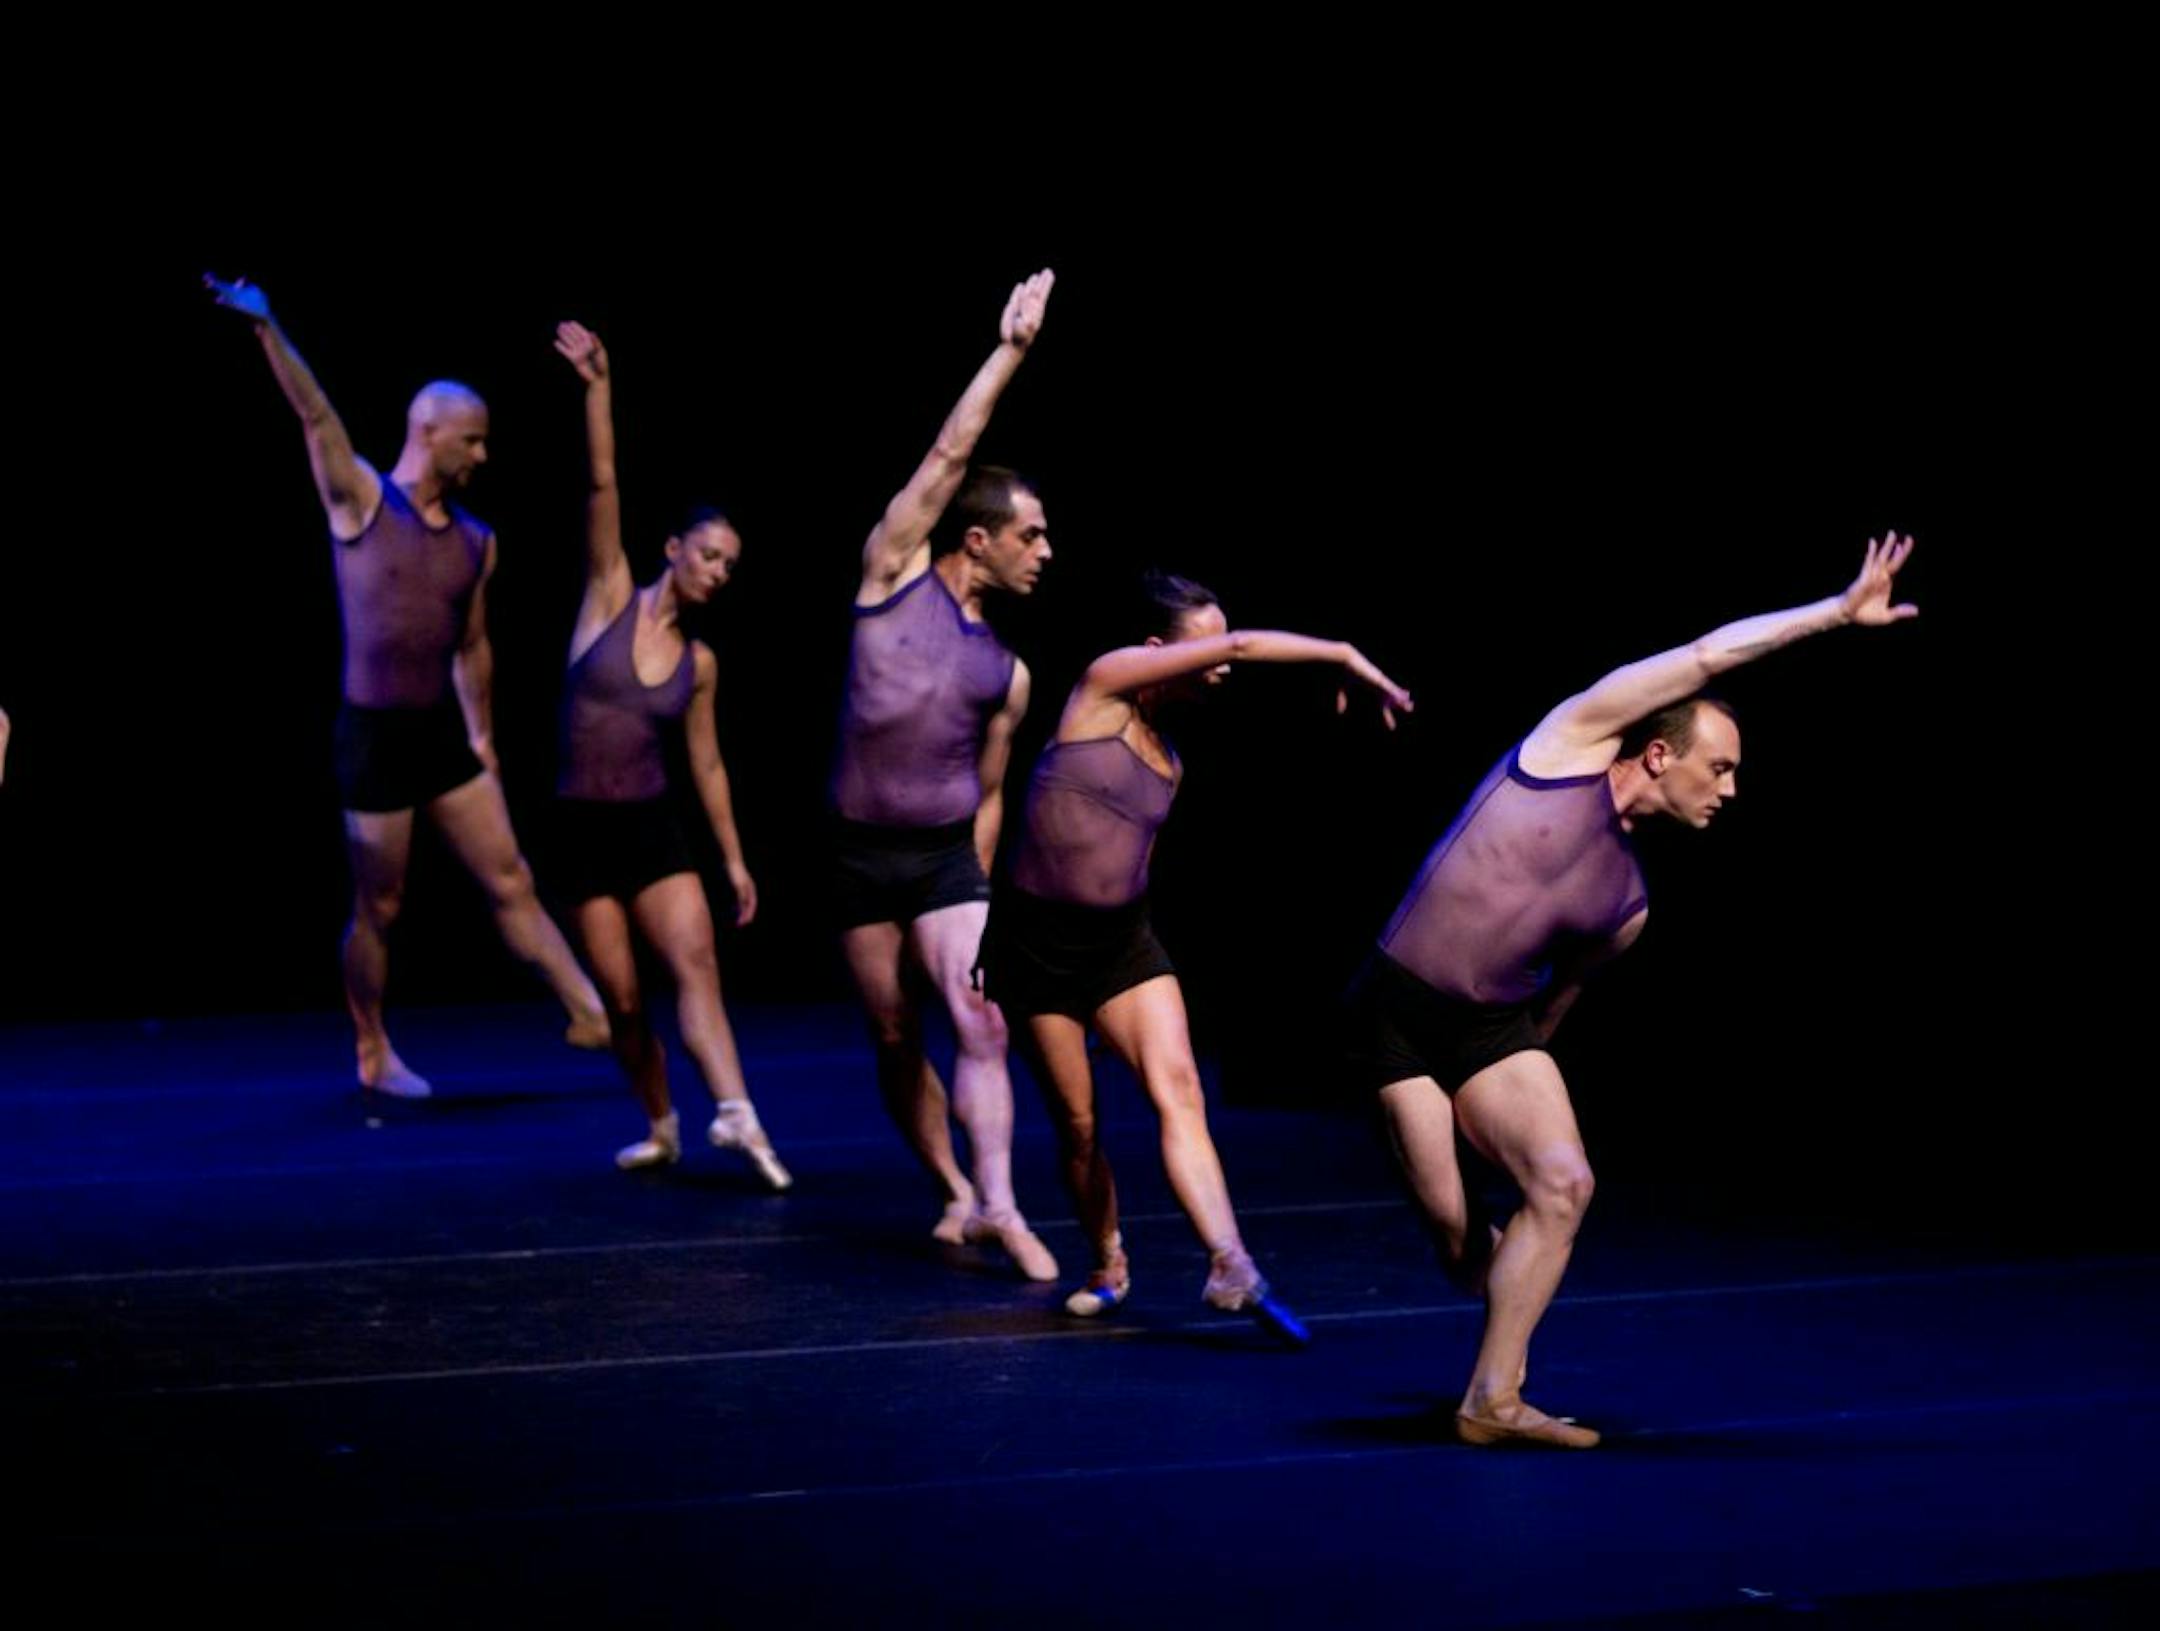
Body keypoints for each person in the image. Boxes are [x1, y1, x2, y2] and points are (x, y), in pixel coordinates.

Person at [1349, 534, 1919, 1446]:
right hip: (1395, 1013)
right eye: (1720, 768)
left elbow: (1552, 1013)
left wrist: (1504, 1099)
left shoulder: (1628, 905)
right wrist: (1835, 614)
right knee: (1459, 1243)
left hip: (1492, 1032)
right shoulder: (1570, 738)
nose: (1731, 789)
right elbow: (1704, 655)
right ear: (1660, 754)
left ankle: (1491, 1399)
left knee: (1564, 1182)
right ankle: (1500, 1295)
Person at [980, 571, 1411, 1337]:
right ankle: (1109, 1260)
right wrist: (1339, 651)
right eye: (1206, 643)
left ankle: (1228, 1263)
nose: (1225, 657)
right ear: (1155, 650)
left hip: (1121, 946)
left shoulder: (1171, 759)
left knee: (1179, 1086)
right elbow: (1033, 842)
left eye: (1223, 640)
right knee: (1078, 1125)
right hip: (1038, 947)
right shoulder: (1100, 690)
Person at [206, 276, 606, 1098]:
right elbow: (317, 417)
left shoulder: (476, 541)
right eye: (473, 441)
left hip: (441, 740)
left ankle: (591, 1009)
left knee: (511, 879)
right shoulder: (360, 501)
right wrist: (267, 327)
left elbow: (473, 649)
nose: (483, 456)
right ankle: (370, 1045)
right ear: (431, 433)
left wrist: (485, 740)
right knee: (379, 905)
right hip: (373, 739)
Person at [830, 273, 1059, 1280]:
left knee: (981, 1016)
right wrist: (1008, 349)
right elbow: (948, 454)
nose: (1047, 552)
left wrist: (978, 891)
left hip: (940, 863)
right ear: (979, 540)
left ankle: (1001, 1201)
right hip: (852, 853)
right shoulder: (889, 571)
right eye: (1032, 534)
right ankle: (953, 1188)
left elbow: (995, 787)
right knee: (891, 1031)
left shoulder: (1008, 673)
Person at [550, 321, 789, 1186]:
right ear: (674, 551)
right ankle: (662, 1123)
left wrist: (733, 861)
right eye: (712, 556)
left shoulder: (702, 662)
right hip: (583, 834)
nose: (722, 573)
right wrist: (597, 385)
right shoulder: (607, 596)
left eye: (732, 566)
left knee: (697, 967)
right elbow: (603, 480)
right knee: (619, 998)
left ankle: (740, 1116)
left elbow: (710, 767)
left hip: (654, 833)